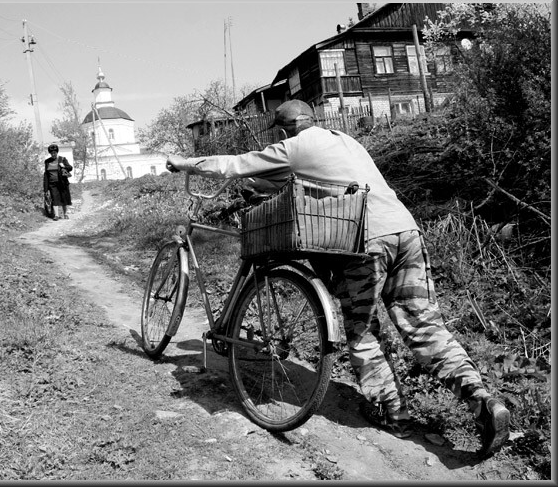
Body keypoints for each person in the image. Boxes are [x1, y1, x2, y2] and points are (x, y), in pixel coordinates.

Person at [166, 99, 510, 456]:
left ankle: (393, 414)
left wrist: (184, 162)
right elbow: (304, 182)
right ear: (314, 119)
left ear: (284, 130)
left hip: (365, 241)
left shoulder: (294, 146)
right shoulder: (346, 141)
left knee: (361, 330)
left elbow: (233, 165)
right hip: (405, 231)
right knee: (425, 326)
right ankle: (481, 400)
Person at [43, 144, 73, 220]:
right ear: (50, 153)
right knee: (54, 198)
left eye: (54, 153)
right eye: (52, 153)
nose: (53, 154)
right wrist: (46, 189)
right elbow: (46, 175)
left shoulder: (62, 159)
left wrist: (63, 166)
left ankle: (65, 214)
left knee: (64, 198)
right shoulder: (47, 162)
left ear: (57, 152)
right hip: (52, 184)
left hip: (62, 183)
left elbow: (70, 168)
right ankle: (56, 215)